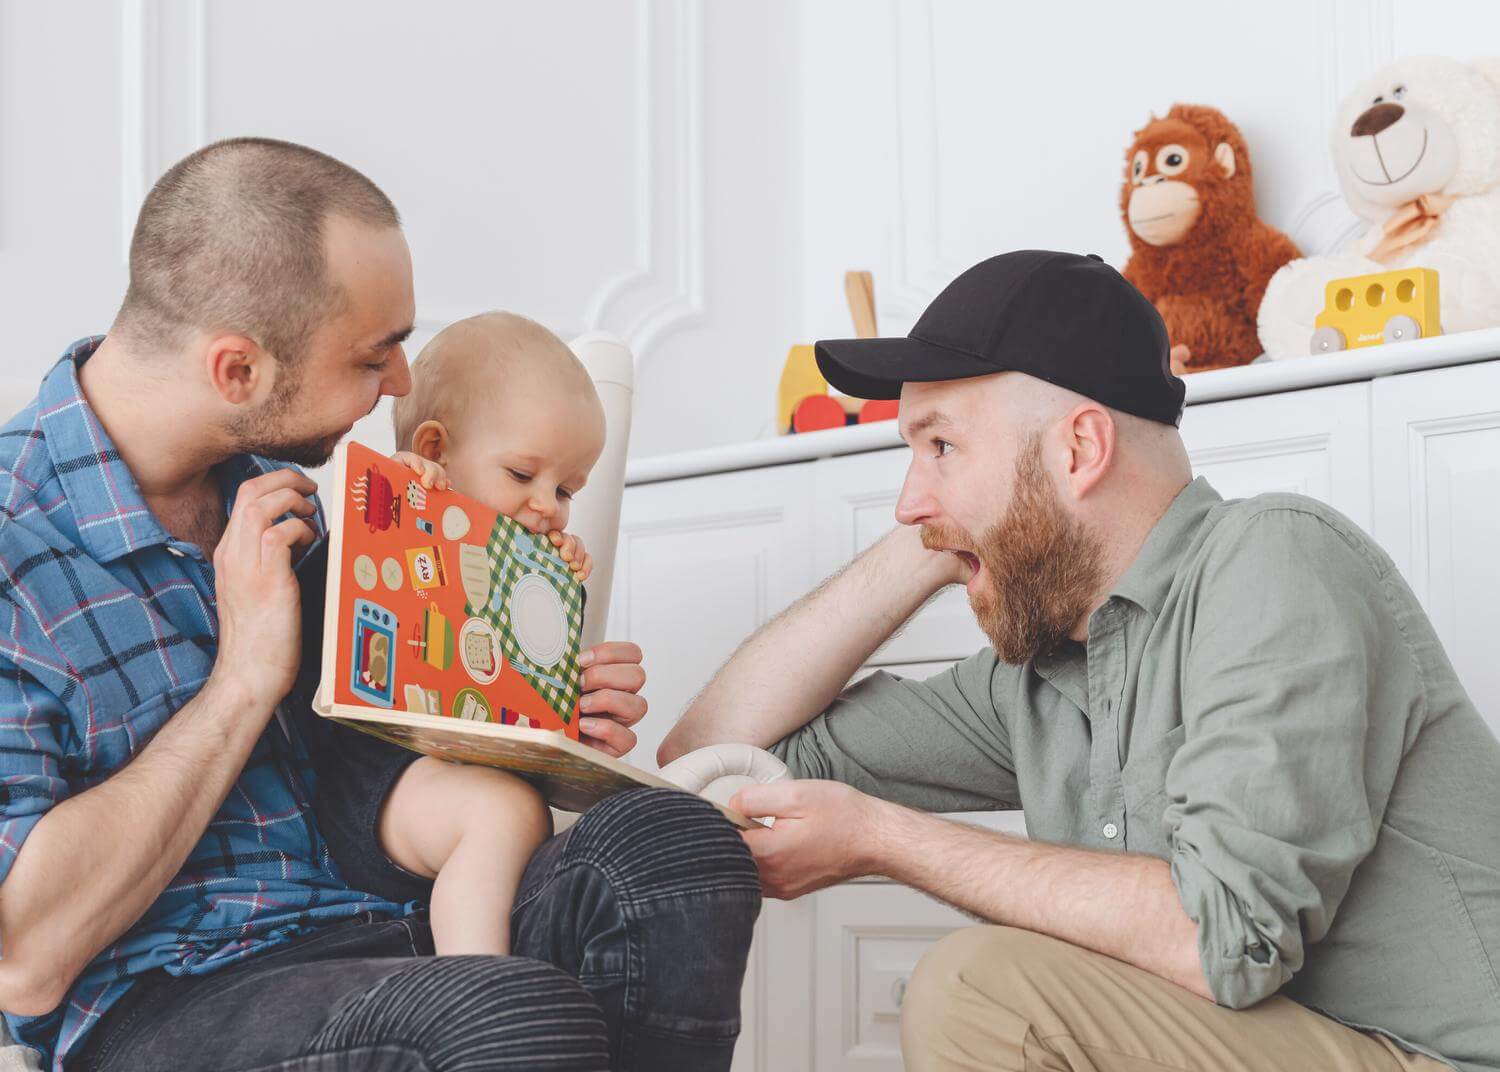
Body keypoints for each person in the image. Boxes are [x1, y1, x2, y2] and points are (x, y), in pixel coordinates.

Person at [0, 137, 757, 1072]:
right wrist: (242, 681)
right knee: (497, 1014)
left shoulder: (322, 501)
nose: (402, 383)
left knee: (678, 848)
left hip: (404, 906)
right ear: (237, 370)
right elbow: (21, 962)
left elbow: (398, 725)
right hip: (181, 992)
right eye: (375, 354)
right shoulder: (12, 540)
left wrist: (538, 715)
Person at [661, 250, 1500, 1072]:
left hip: (1429, 1055)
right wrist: (935, 535)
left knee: (983, 991)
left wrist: (883, 838)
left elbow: (1227, 938)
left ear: (1079, 450)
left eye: (941, 447)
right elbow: (713, 751)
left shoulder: (1274, 561)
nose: (908, 498)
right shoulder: (1043, 671)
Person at [305, 310, 603, 959]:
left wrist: (558, 591)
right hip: (374, 790)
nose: (548, 505)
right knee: (504, 812)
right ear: (436, 451)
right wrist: (401, 508)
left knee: (528, 810)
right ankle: (476, 988)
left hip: (472, 773)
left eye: (567, 489)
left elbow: (522, 675)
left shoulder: (521, 553)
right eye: (524, 476)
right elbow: (321, 615)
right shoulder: (375, 527)